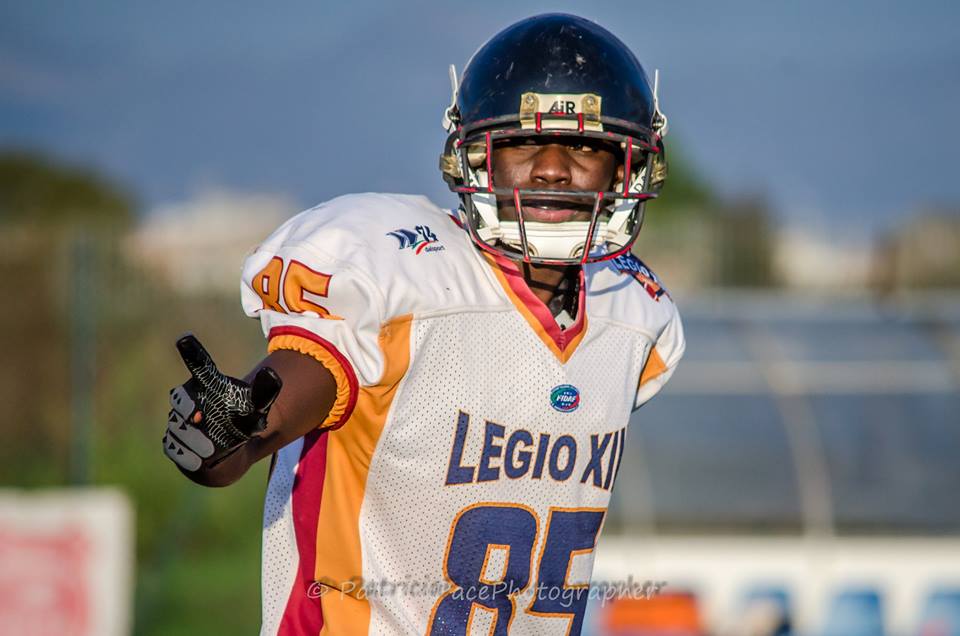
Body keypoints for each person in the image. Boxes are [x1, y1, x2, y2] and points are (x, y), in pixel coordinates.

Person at [163, 13, 684, 635]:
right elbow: (277, 406)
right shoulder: (406, 278)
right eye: (521, 143)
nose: (552, 168)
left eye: (584, 146)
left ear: (628, 166)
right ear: (475, 157)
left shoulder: (633, 316)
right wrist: (233, 428)